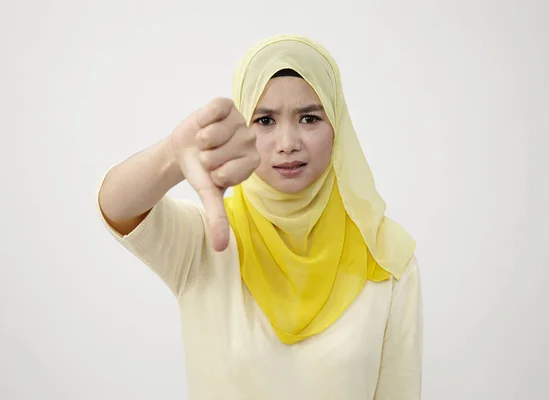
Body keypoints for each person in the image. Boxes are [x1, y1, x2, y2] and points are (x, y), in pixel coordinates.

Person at [97, 34, 422, 400]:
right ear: (240, 130)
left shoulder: (386, 258)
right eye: (265, 119)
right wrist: (173, 155)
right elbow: (116, 207)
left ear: (338, 127)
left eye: (310, 118)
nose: (287, 142)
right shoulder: (205, 240)